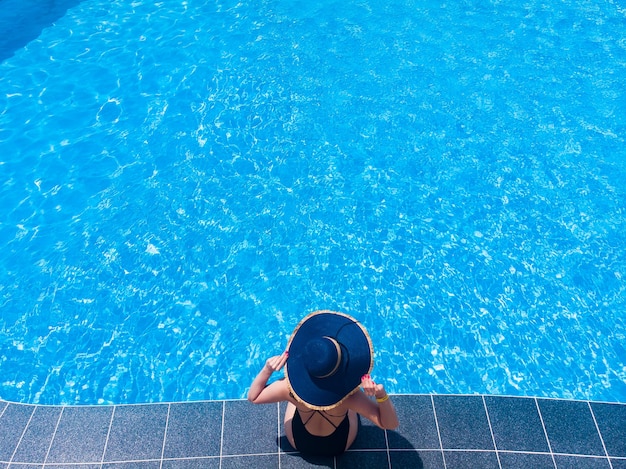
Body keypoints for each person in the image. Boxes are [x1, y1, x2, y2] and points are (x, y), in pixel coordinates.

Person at [248, 310, 399, 456]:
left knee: (294, 394)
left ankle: (304, 396)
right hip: (338, 446)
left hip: (299, 442)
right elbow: (389, 424)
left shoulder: (286, 387)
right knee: (349, 403)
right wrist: (381, 395)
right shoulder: (350, 397)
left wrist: (267, 369)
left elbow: (253, 397)